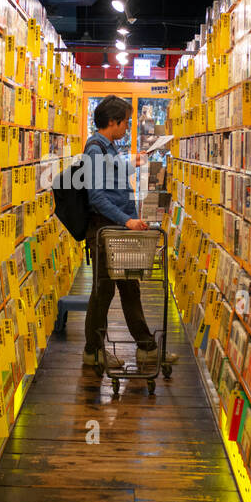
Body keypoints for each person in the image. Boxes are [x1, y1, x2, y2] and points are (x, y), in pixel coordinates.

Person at [82, 96, 178, 370]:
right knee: (103, 292)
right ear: (112, 122)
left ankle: (146, 347)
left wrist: (130, 162)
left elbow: (111, 177)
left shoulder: (107, 147)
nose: (127, 126)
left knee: (129, 286)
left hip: (114, 231)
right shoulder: (95, 149)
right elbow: (97, 196)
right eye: (125, 122)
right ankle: (93, 350)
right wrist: (128, 221)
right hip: (105, 232)